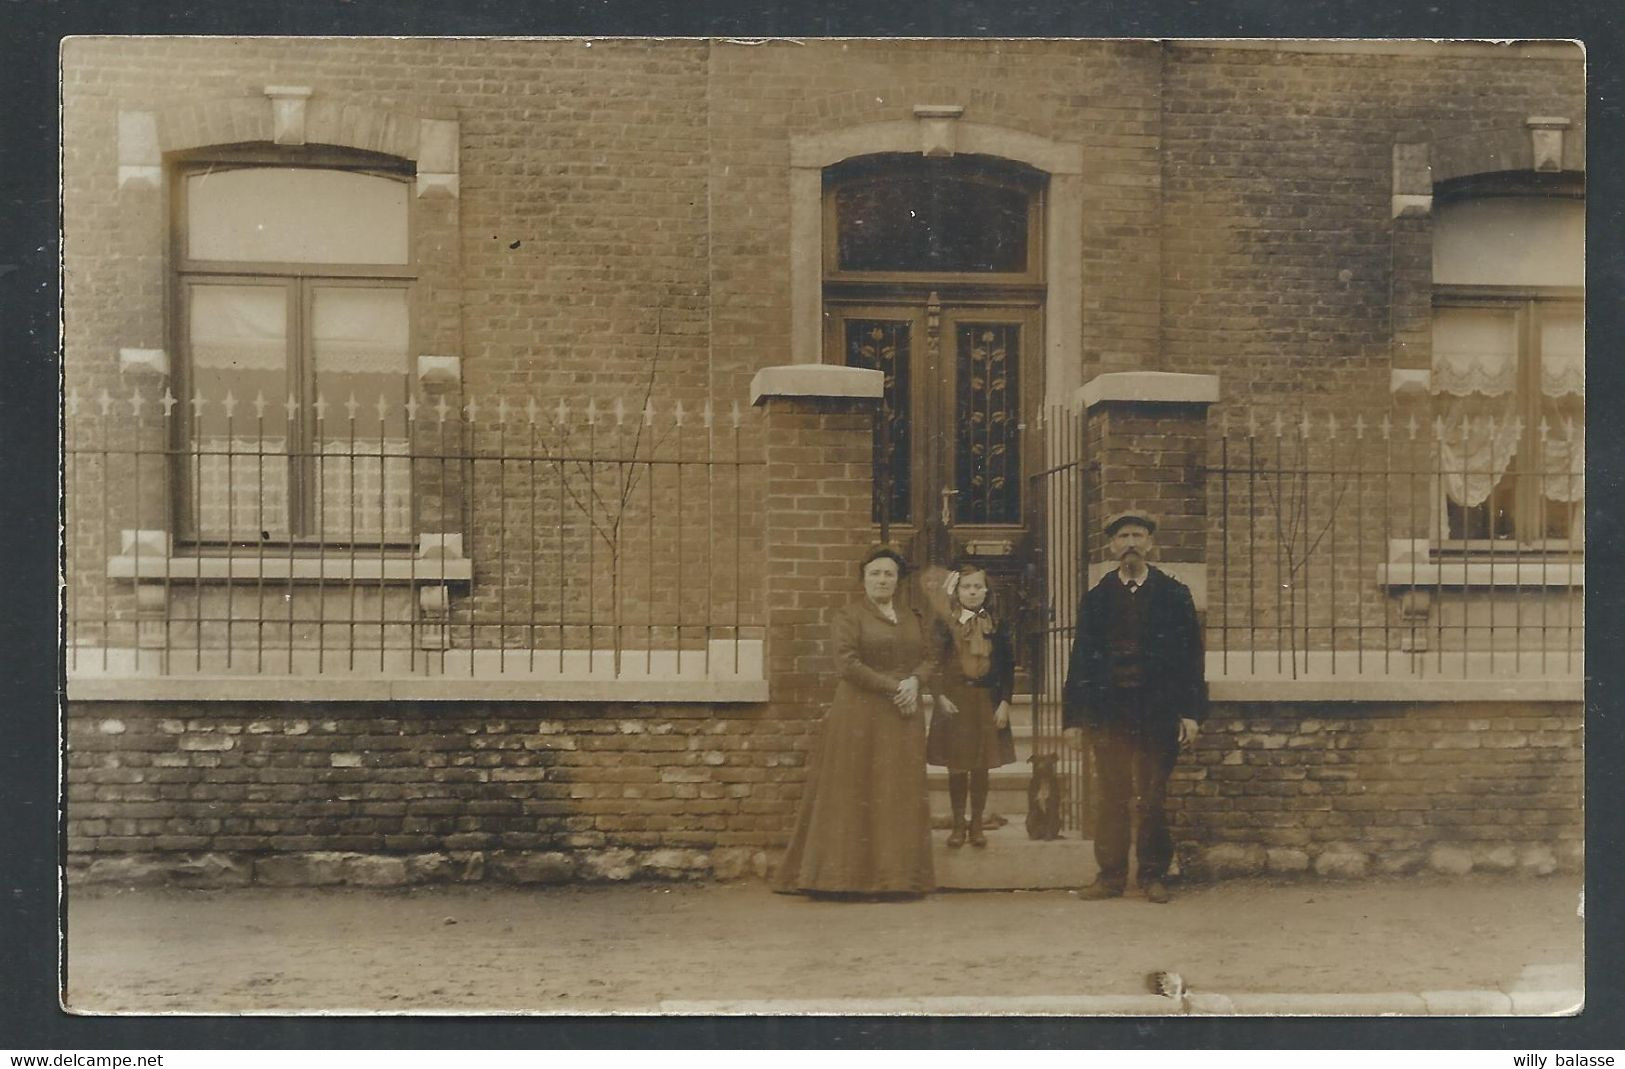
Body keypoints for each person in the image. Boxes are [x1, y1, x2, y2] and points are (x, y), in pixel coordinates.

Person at [773, 543, 937, 897]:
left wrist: (915, 681)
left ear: (899, 581)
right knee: (858, 790)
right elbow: (847, 664)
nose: (882, 580)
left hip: (903, 714)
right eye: (874, 574)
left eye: (888, 574)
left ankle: (898, 879)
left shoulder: (913, 617)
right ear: (863, 580)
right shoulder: (849, 617)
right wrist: (896, 686)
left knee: (897, 793)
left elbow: (929, 657)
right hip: (861, 714)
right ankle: (844, 879)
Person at [1062, 510, 1207, 904]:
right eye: (1123, 536)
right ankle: (1109, 876)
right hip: (1109, 714)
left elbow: (1192, 658)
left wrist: (1191, 712)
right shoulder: (1096, 599)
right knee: (1110, 795)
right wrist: (1074, 719)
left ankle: (1152, 875)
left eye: (1137, 535)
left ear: (1150, 543)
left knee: (1152, 795)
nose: (1130, 543)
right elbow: (1080, 661)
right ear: (1111, 546)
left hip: (1157, 712)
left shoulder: (1175, 595)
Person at [926, 562, 1017, 848]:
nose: (973, 591)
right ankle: (957, 824)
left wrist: (1004, 702)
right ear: (957, 591)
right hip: (955, 701)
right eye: (967, 586)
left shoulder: (996, 624)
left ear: (986, 591)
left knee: (980, 766)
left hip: (986, 701)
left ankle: (977, 824)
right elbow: (933, 663)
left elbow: (1007, 667)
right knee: (957, 766)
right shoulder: (945, 623)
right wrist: (939, 696)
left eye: (978, 586)